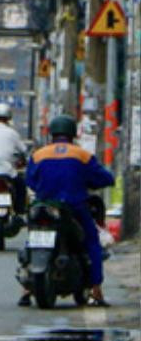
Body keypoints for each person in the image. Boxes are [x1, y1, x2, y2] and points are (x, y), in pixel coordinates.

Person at [20, 114, 115, 307]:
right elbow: (104, 178)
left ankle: (26, 289)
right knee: (91, 242)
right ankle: (96, 289)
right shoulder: (82, 155)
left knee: (32, 239)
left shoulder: (39, 155)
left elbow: (30, 180)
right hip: (74, 207)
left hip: (43, 207)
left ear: (51, 133)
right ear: (72, 134)